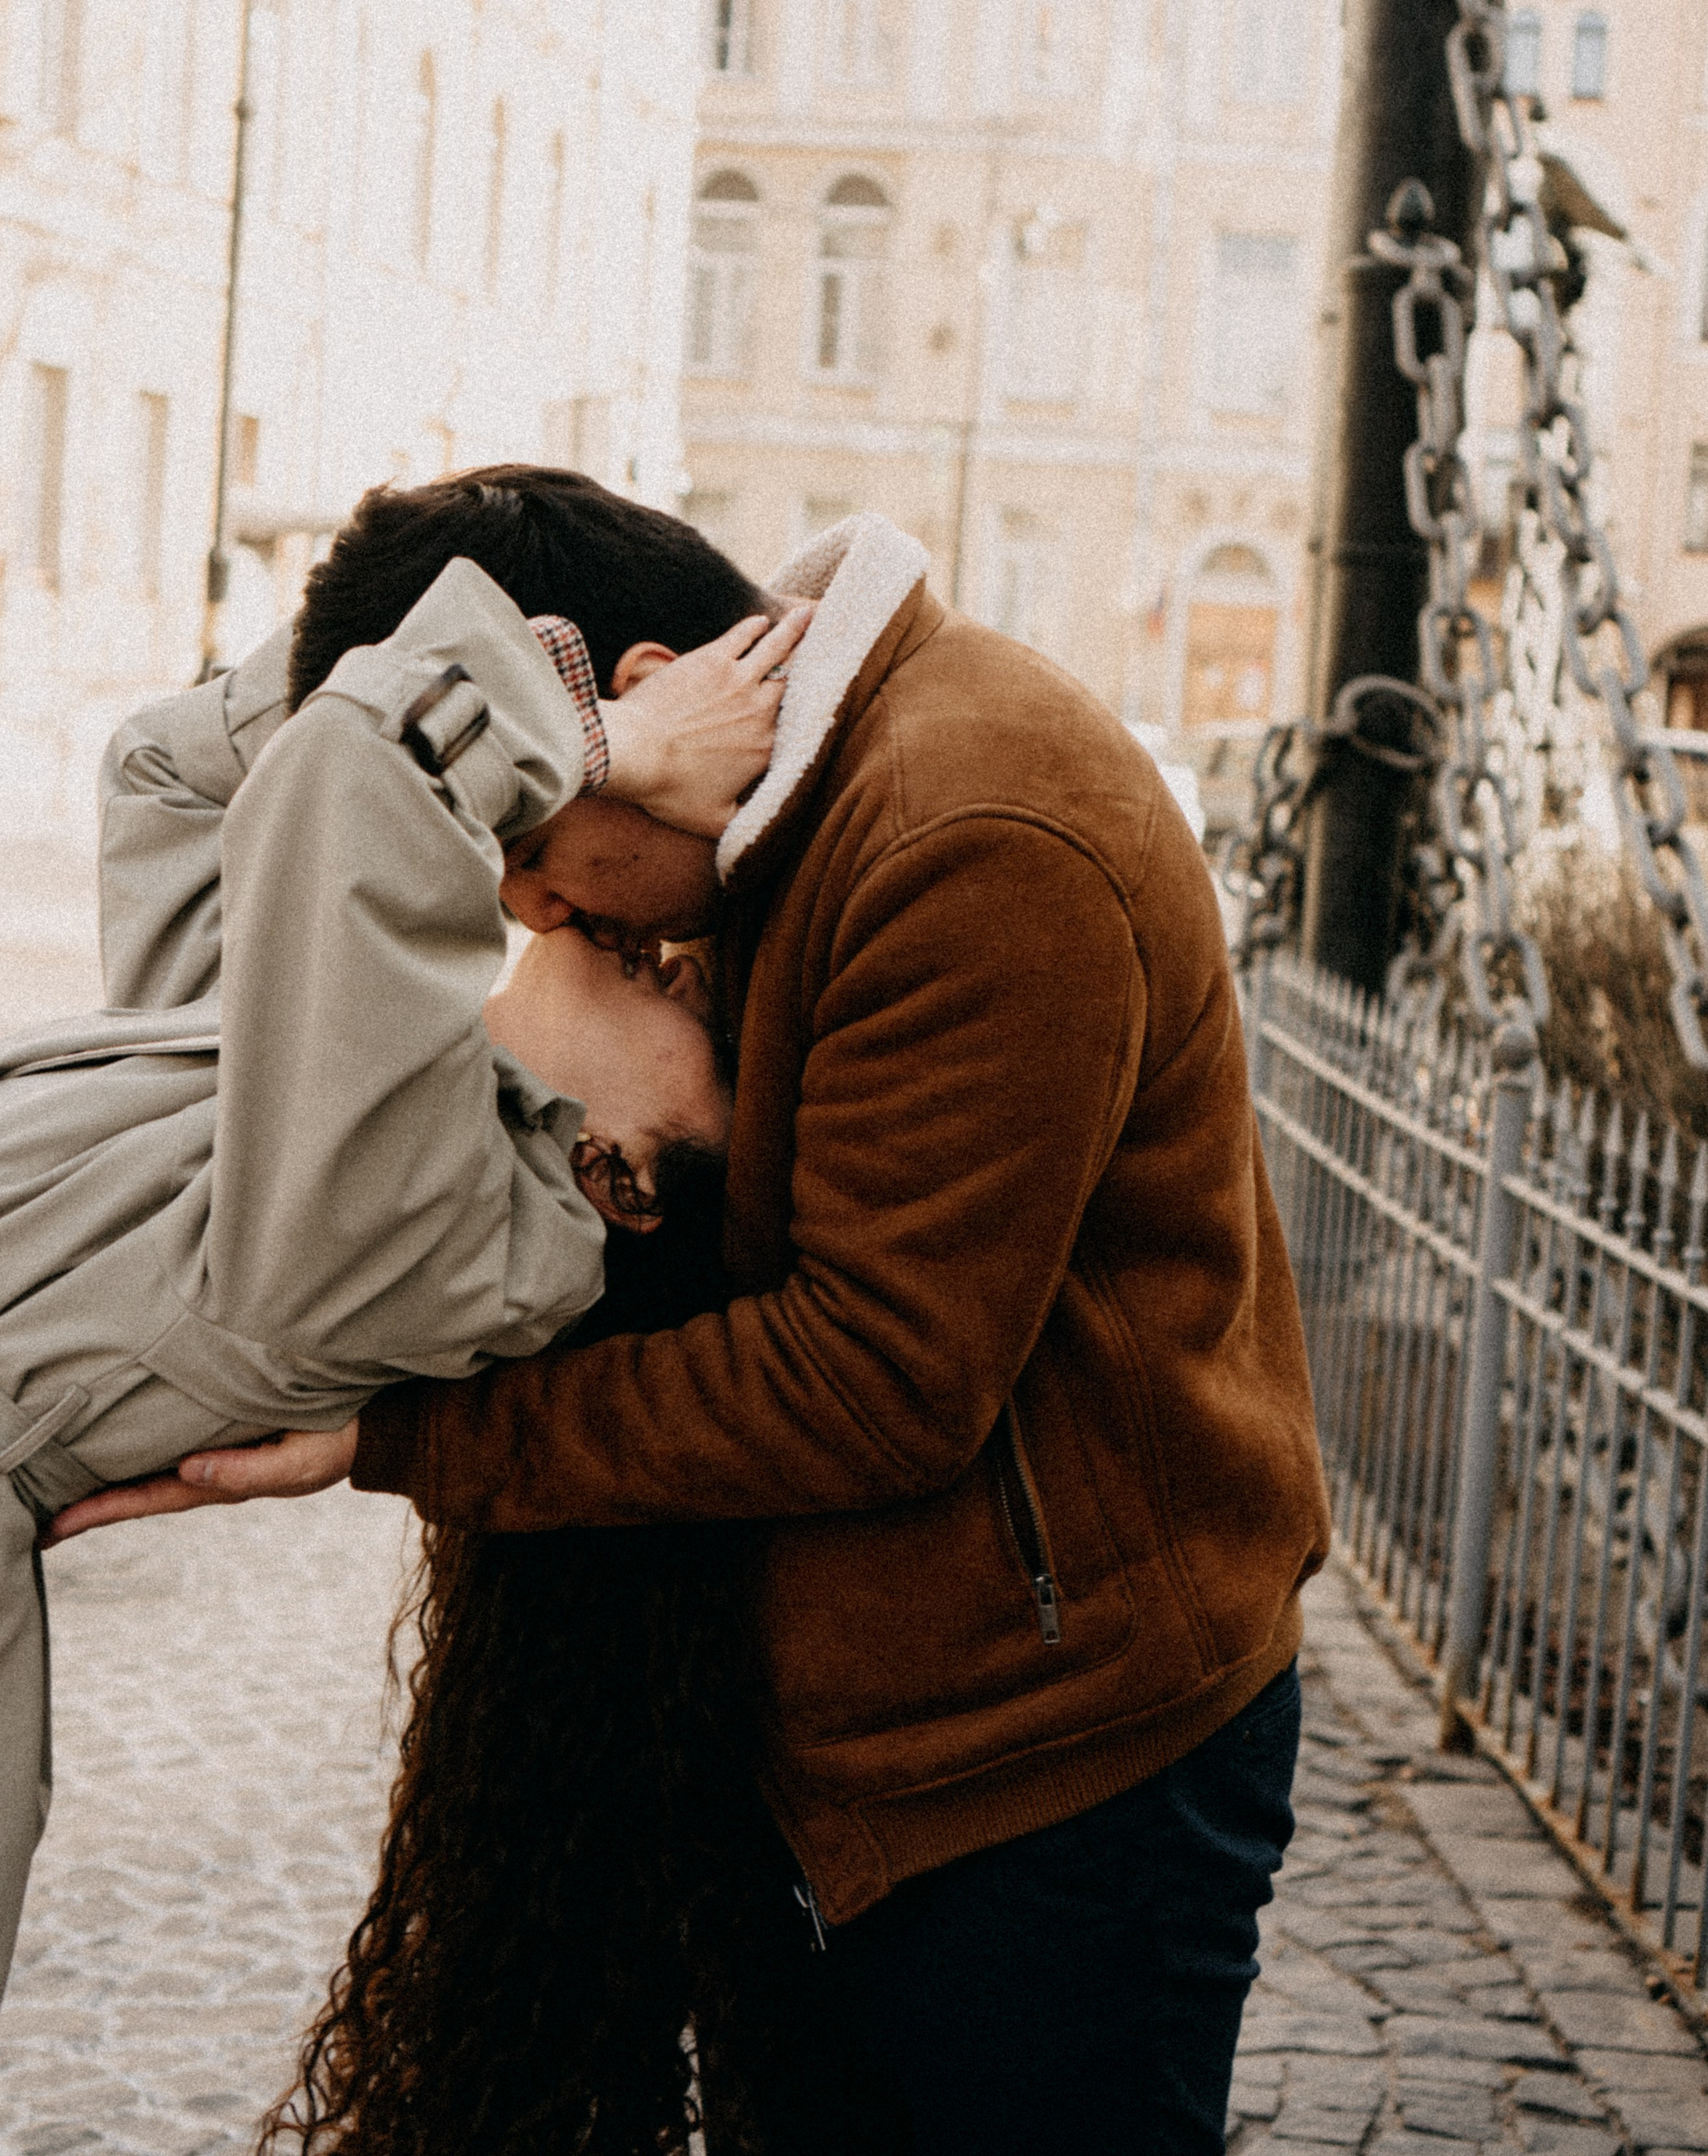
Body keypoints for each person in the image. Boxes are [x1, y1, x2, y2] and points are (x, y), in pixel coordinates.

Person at [63, 463, 1334, 2156]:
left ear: (652, 691)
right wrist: (464, 708)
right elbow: (185, 764)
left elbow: (872, 1377)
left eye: (528, 847)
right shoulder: (764, 809)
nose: (523, 907)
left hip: (1036, 1765)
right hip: (846, 1731)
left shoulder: (967, 834)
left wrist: (404, 1436)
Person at [1, 548, 805, 1997]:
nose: (689, 966)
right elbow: (174, 779)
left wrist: (613, 742)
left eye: (720, 1043)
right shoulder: (334, 1103)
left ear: (623, 1185)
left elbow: (357, 778)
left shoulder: (436, 1241)